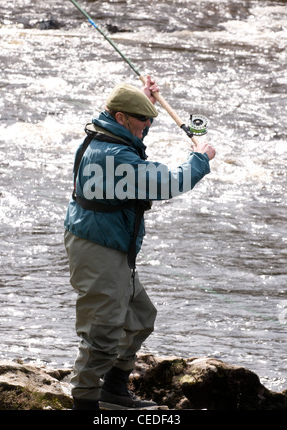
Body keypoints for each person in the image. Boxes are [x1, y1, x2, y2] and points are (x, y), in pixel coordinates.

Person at [64, 76, 216, 410]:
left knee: (140, 316)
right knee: (101, 331)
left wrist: (142, 100)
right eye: (143, 118)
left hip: (110, 243)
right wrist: (200, 158)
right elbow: (170, 182)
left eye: (150, 118)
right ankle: (85, 403)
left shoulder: (105, 131)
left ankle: (114, 391)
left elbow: (131, 126)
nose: (147, 125)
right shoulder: (115, 157)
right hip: (98, 247)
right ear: (121, 117)